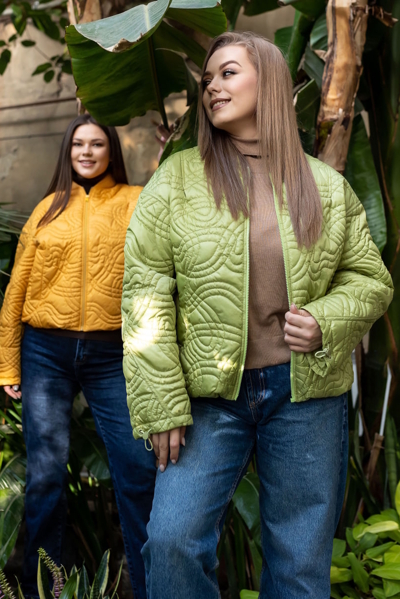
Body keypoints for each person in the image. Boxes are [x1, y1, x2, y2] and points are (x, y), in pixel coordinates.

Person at [121, 32, 393, 599]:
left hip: (305, 397)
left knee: (298, 569)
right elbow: (144, 292)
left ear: (267, 82)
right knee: (171, 542)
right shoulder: (176, 179)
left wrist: (325, 320)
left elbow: (371, 280)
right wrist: (161, 404)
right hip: (207, 399)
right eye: (208, 78)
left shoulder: (325, 186)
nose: (211, 87)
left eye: (228, 73)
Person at [0, 114, 156, 599]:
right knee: (45, 476)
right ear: (67, 152)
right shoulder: (46, 209)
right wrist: (8, 363)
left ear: (112, 151)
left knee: (136, 469)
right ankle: (43, 588)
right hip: (45, 350)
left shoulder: (135, 201)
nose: (86, 152)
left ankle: (149, 585)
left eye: (97, 144)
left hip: (112, 352)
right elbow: (17, 290)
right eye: (78, 145)